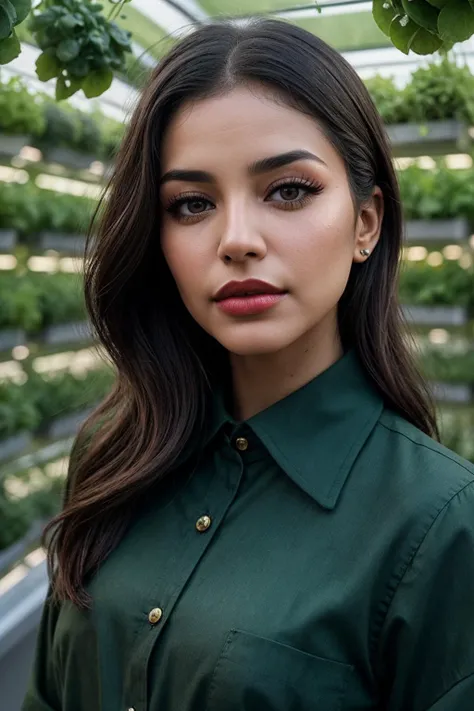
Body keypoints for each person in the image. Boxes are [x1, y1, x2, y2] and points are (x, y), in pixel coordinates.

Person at [22, 16, 474, 711]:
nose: (236, 239)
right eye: (192, 203)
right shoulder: (115, 457)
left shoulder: (442, 527)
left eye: (288, 190)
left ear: (366, 222)